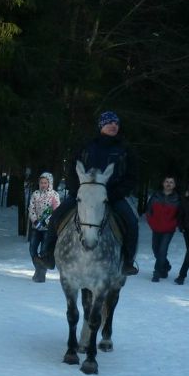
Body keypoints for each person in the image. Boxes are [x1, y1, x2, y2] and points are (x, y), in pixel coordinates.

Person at [35, 111, 140, 275]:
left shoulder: (124, 149)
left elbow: (132, 176)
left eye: (116, 123)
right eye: (109, 123)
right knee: (56, 216)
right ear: (101, 125)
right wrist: (76, 190)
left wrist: (116, 193)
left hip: (112, 196)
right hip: (82, 195)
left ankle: (127, 261)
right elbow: (71, 168)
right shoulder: (86, 146)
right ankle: (47, 255)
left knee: (132, 222)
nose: (113, 126)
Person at [145, 175, 180, 282]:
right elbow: (148, 210)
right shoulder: (155, 196)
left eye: (171, 182)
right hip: (156, 228)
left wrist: (173, 224)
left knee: (162, 250)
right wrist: (151, 222)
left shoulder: (177, 199)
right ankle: (166, 266)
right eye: (167, 181)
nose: (168, 184)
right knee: (155, 249)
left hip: (168, 230)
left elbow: (180, 215)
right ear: (163, 183)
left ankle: (157, 272)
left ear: (174, 185)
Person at [27, 172, 60, 282]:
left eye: (45, 183)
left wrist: (47, 221)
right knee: (32, 249)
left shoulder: (54, 195)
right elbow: (31, 209)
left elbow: (56, 211)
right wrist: (35, 221)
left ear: (49, 183)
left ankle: (41, 274)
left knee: (44, 251)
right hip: (36, 228)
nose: (43, 185)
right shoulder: (35, 194)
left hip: (48, 229)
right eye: (41, 182)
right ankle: (39, 269)